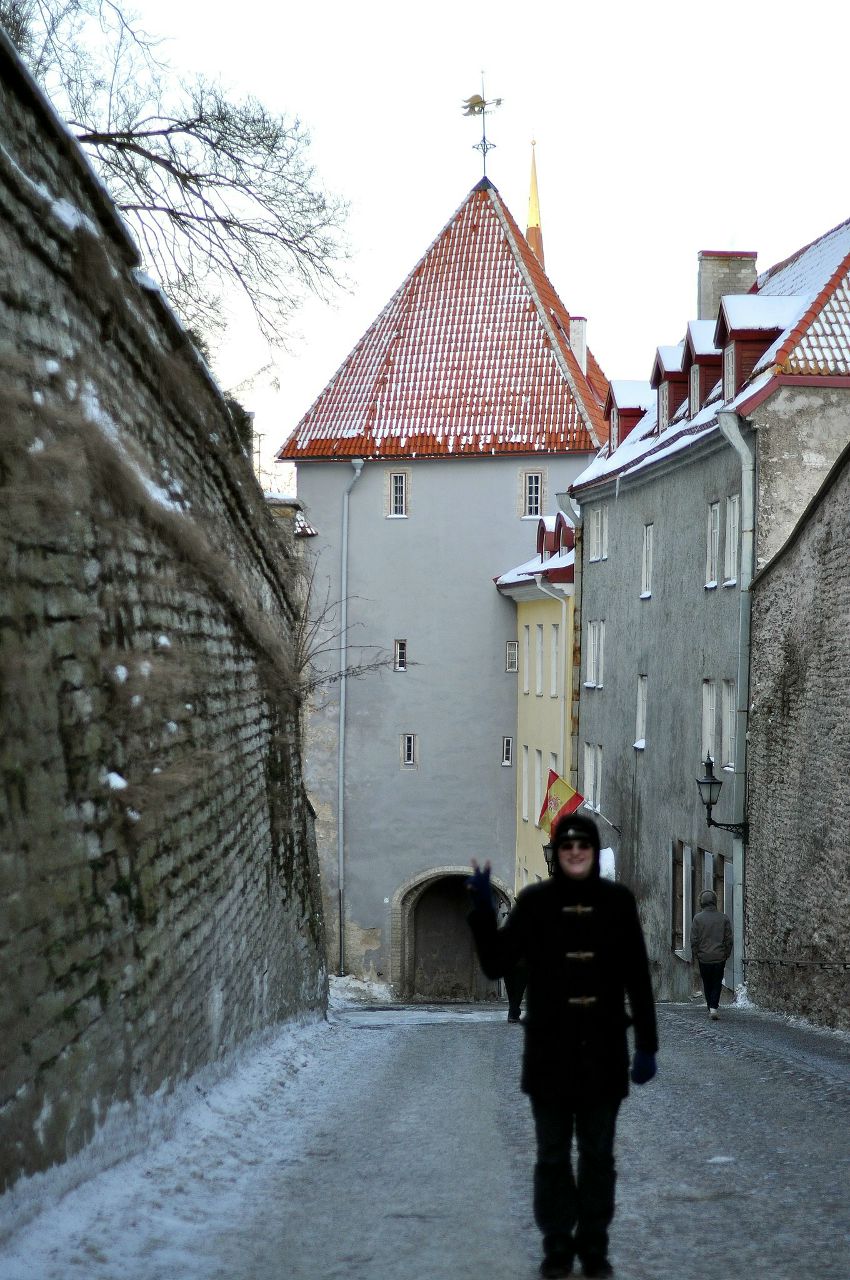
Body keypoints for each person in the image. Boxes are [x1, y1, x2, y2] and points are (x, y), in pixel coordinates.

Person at [467, 812, 658, 1279]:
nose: (575, 853)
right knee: (552, 1157)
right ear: (557, 854)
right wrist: (481, 912)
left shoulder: (617, 904)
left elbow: (637, 978)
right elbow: (495, 964)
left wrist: (646, 1045)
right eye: (567, 846)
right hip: (549, 1056)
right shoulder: (535, 903)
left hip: (605, 1054)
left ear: (593, 853)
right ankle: (556, 1246)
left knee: (597, 1158)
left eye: (583, 846)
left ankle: (593, 1247)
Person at [690, 889, 733, 1019]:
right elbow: (728, 939)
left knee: (707, 982)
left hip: (704, 958)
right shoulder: (723, 918)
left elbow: (694, 939)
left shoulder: (697, 918)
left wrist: (697, 953)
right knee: (717, 982)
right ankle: (713, 1007)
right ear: (715, 901)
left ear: (701, 902)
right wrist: (726, 954)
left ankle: (710, 1006)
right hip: (719, 957)